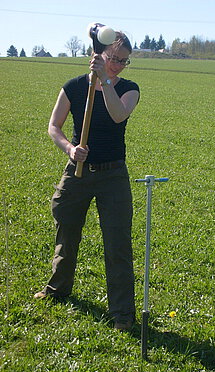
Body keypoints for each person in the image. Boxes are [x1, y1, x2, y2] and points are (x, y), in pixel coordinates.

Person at [34, 32, 140, 331]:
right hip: (77, 173)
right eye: (113, 58)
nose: (118, 65)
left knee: (117, 243)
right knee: (66, 233)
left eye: (123, 61)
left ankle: (122, 314)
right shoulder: (74, 87)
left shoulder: (129, 89)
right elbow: (54, 126)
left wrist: (104, 81)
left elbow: (118, 116)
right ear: (99, 54)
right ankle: (57, 290)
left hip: (113, 176)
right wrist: (70, 148)